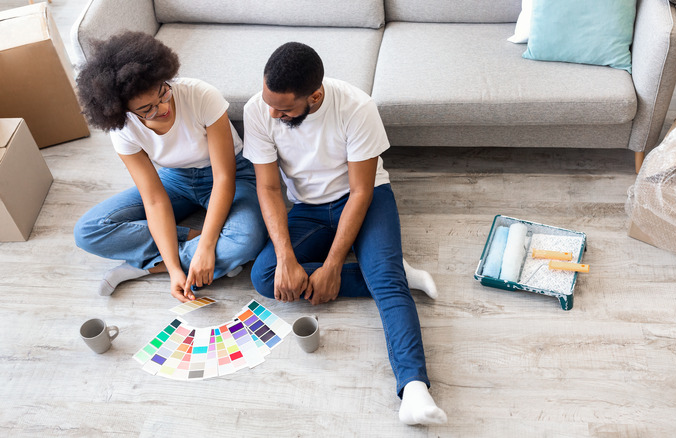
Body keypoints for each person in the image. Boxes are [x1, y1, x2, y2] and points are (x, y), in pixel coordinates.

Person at [243, 42, 447, 425]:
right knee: (265, 276)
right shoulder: (258, 110)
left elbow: (362, 191)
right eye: (270, 103)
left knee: (384, 282)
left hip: (365, 199)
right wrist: (287, 258)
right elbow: (269, 189)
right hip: (308, 210)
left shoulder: (357, 107)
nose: (272, 113)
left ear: (315, 96)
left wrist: (334, 265)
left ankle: (415, 389)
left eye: (283, 109)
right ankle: (396, 274)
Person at [74, 31, 266, 303]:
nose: (162, 108)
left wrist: (207, 248)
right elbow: (154, 201)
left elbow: (224, 178)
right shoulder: (124, 129)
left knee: (247, 239)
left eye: (163, 93)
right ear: (123, 110)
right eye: (146, 109)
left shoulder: (200, 95)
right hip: (175, 180)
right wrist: (177, 268)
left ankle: (146, 266)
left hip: (230, 174)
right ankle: (189, 250)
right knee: (88, 231)